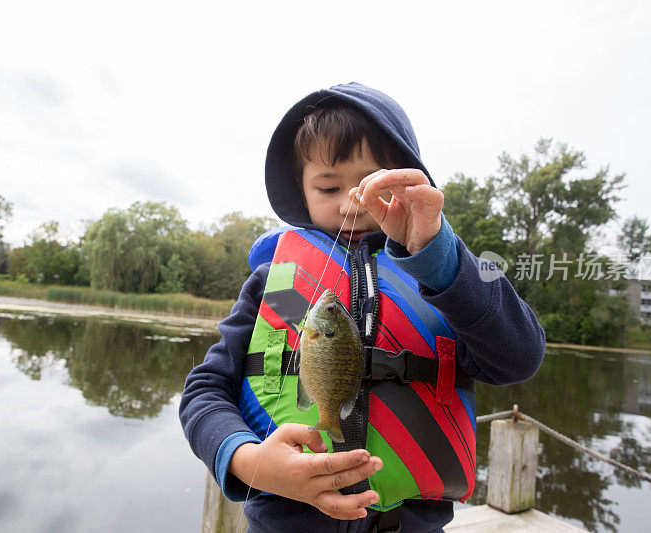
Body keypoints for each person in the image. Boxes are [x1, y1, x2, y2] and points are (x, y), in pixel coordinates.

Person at [179, 82, 546, 533]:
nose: (352, 203)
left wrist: (443, 260)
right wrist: (248, 460)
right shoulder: (279, 287)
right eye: (329, 187)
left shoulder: (445, 277)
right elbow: (204, 391)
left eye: (371, 185)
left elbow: (520, 358)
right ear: (301, 191)